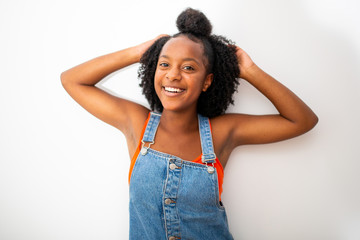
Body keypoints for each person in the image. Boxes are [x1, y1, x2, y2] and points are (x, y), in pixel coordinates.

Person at [61, 8, 318, 240]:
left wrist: (249, 70)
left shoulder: (222, 133)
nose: (173, 74)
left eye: (188, 67)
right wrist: (139, 53)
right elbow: (72, 80)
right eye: (164, 64)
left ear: (207, 82)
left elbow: (302, 120)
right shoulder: (137, 123)